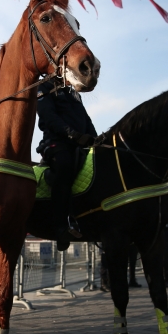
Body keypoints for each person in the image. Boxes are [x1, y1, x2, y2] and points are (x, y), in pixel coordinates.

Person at [36, 79, 97, 251]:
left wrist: (96, 139)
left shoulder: (73, 91)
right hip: (56, 143)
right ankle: (61, 227)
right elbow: (48, 117)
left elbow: (86, 118)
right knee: (64, 165)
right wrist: (72, 134)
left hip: (79, 142)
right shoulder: (44, 87)